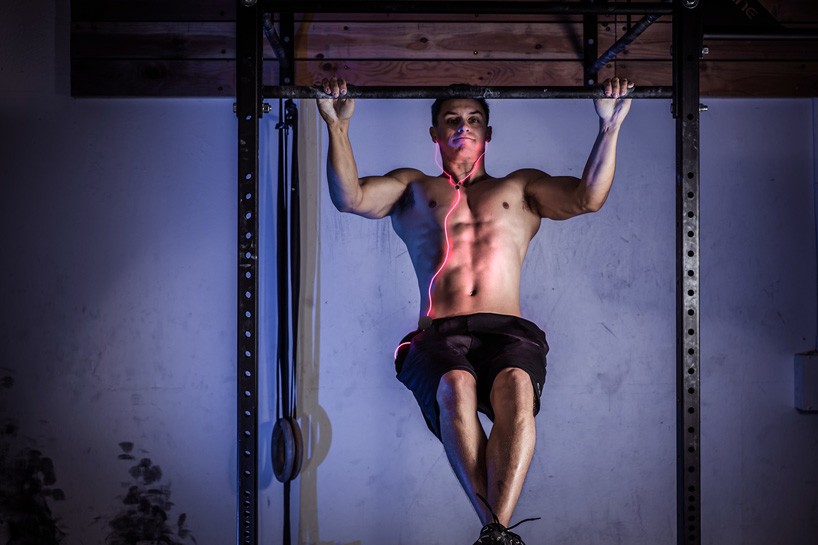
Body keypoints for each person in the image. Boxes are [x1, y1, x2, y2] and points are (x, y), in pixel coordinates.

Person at [317, 77, 634, 545]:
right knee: (455, 384)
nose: (463, 127)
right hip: (439, 334)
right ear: (435, 133)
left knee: (517, 386)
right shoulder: (412, 187)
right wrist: (337, 127)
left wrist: (609, 127)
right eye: (452, 120)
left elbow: (588, 198)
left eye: (473, 120)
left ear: (488, 133)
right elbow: (350, 198)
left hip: (508, 331)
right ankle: (498, 532)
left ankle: (493, 532)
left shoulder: (520, 187)